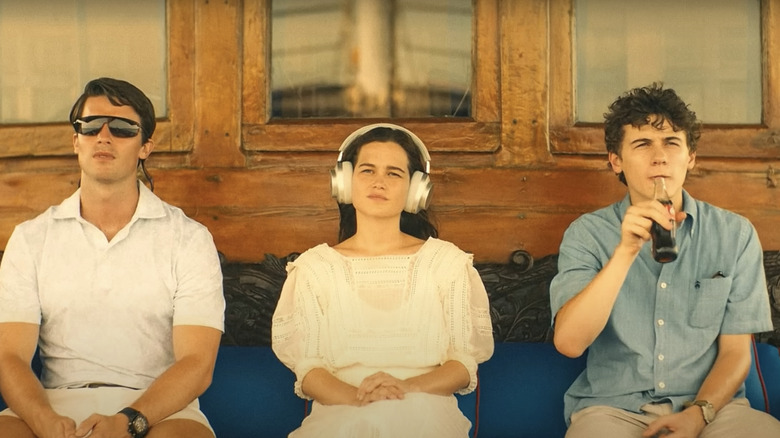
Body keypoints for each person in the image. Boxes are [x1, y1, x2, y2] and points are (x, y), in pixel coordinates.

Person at [549, 83, 780, 437]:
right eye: (642, 144)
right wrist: (624, 252)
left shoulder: (734, 234)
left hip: (713, 410)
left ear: (690, 157)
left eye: (671, 143)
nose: (659, 157)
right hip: (613, 410)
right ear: (616, 161)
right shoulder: (587, 233)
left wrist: (697, 416)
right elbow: (569, 342)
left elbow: (736, 354)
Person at [0, 77, 225, 438]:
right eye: (90, 127)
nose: (103, 136)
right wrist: (44, 421)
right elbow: (9, 357)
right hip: (53, 403)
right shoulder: (31, 238)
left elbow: (198, 364)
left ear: (145, 147)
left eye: (122, 128)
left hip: (157, 410)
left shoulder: (188, 239)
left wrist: (129, 421)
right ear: (76, 141)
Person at [271, 123, 494, 437]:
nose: (379, 182)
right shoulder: (315, 268)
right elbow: (309, 371)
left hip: (425, 412)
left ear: (416, 190)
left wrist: (404, 388)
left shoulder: (446, 264)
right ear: (344, 183)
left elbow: (461, 365)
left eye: (393, 173)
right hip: (341, 416)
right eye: (367, 170)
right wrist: (361, 400)